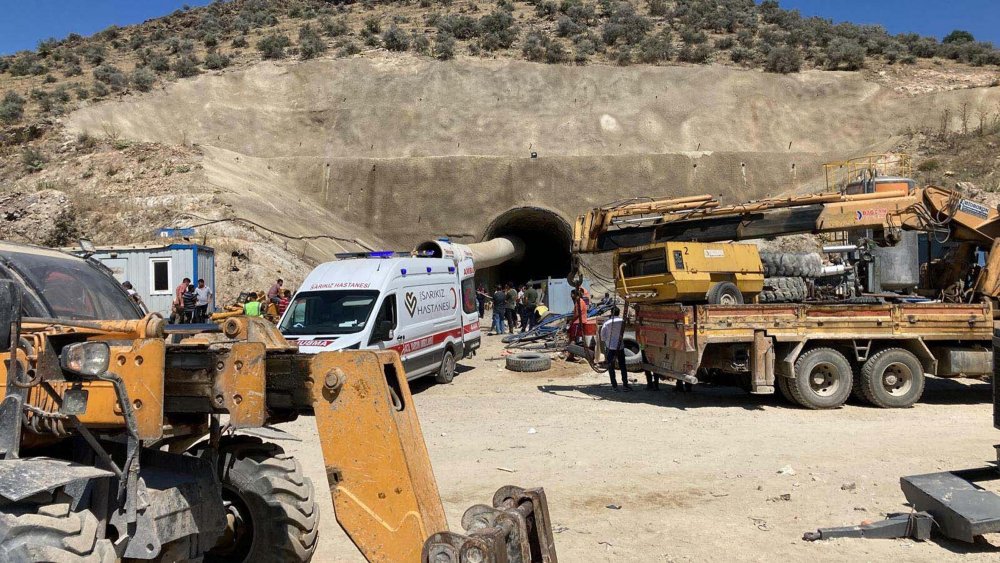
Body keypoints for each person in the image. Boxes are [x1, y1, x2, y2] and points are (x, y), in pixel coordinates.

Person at [600, 306, 631, 392]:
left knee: (611, 367)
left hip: (610, 347)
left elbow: (602, 337)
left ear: (611, 313)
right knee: (623, 366)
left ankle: (614, 386)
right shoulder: (622, 321)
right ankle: (625, 385)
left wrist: (607, 339)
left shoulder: (607, 323)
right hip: (620, 346)